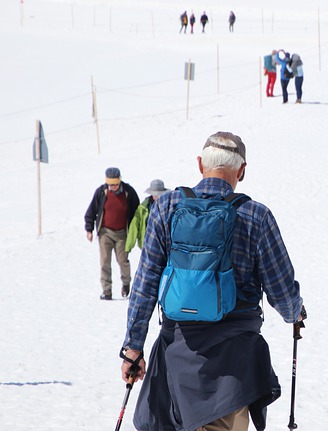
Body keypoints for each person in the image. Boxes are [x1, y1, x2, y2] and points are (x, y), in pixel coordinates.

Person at [120, 132, 306, 431]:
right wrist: (295, 313)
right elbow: (282, 292)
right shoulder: (256, 215)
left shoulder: (166, 208)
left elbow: (145, 286)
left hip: (175, 359)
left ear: (199, 164)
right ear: (242, 170)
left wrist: (133, 349)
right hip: (232, 369)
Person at [85, 167, 140, 300]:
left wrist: (136, 230)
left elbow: (137, 212)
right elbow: (91, 211)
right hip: (105, 232)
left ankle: (126, 284)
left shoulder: (128, 192)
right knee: (104, 261)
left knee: (123, 261)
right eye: (111, 185)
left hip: (122, 234)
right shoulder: (101, 192)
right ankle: (106, 290)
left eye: (116, 184)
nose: (114, 187)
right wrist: (89, 229)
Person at [125, 179, 170, 255]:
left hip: (165, 244)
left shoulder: (169, 206)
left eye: (160, 194)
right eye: (156, 195)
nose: (157, 197)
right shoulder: (142, 208)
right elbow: (134, 226)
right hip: (147, 244)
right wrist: (129, 246)